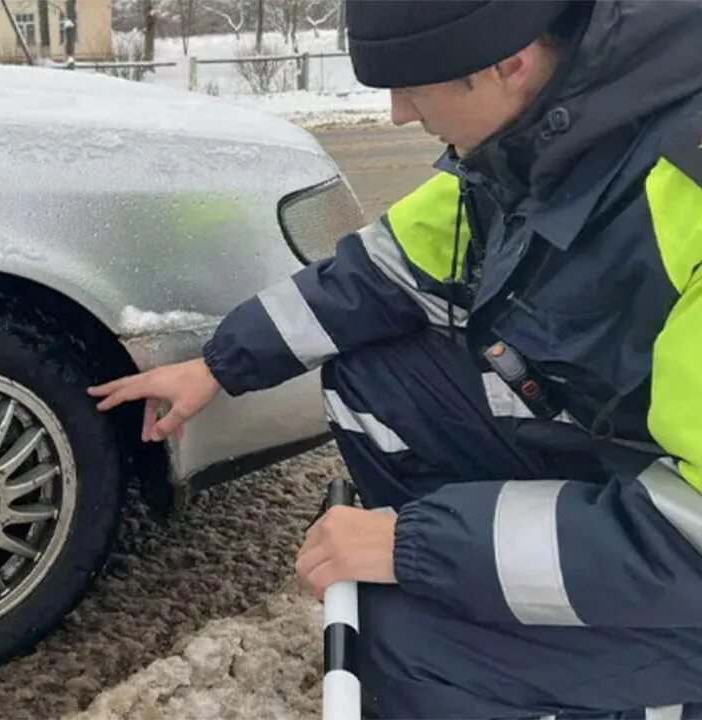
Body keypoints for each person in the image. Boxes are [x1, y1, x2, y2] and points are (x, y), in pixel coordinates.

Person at [90, 0, 702, 716]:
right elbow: (381, 273)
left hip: (681, 552)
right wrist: (218, 364)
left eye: (415, 87)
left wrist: (416, 547)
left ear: (510, 62)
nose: (397, 117)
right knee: (373, 381)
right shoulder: (537, 138)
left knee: (401, 643)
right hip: (630, 468)